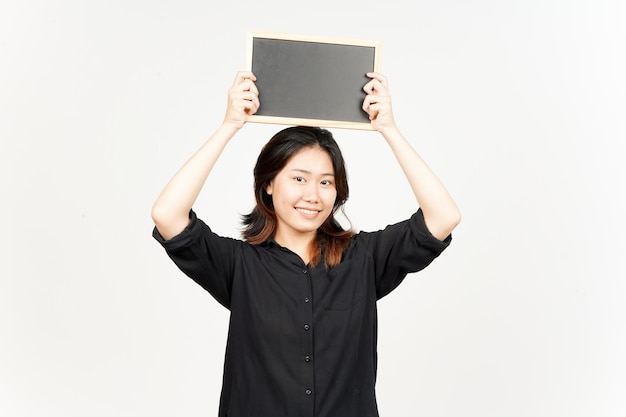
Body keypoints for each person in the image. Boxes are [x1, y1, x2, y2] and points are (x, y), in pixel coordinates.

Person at [151, 71, 461, 417]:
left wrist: (389, 129)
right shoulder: (239, 265)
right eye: (299, 179)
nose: (312, 195)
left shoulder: (364, 258)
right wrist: (228, 126)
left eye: (326, 182)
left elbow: (442, 217)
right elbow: (167, 215)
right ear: (268, 184)